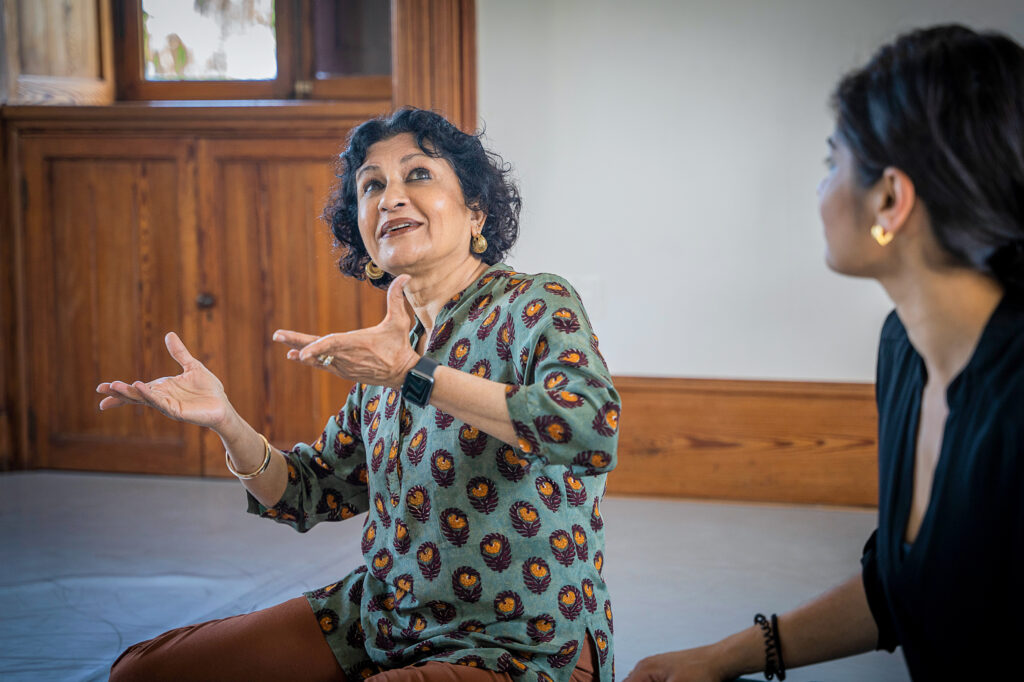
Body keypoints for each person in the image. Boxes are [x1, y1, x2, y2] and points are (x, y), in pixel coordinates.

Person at [98, 108, 621, 682]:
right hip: (381, 622)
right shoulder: (387, 356)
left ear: (477, 210)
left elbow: (589, 431)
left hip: (520, 641)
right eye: (372, 186)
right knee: (143, 673)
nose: (390, 198)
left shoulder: (534, 302)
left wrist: (410, 374)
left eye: (417, 175)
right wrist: (228, 422)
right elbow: (307, 491)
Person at [625, 24, 1024, 682]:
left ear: (891, 199)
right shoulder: (905, 347)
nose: (820, 192)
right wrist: (720, 657)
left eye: (831, 163)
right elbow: (897, 589)